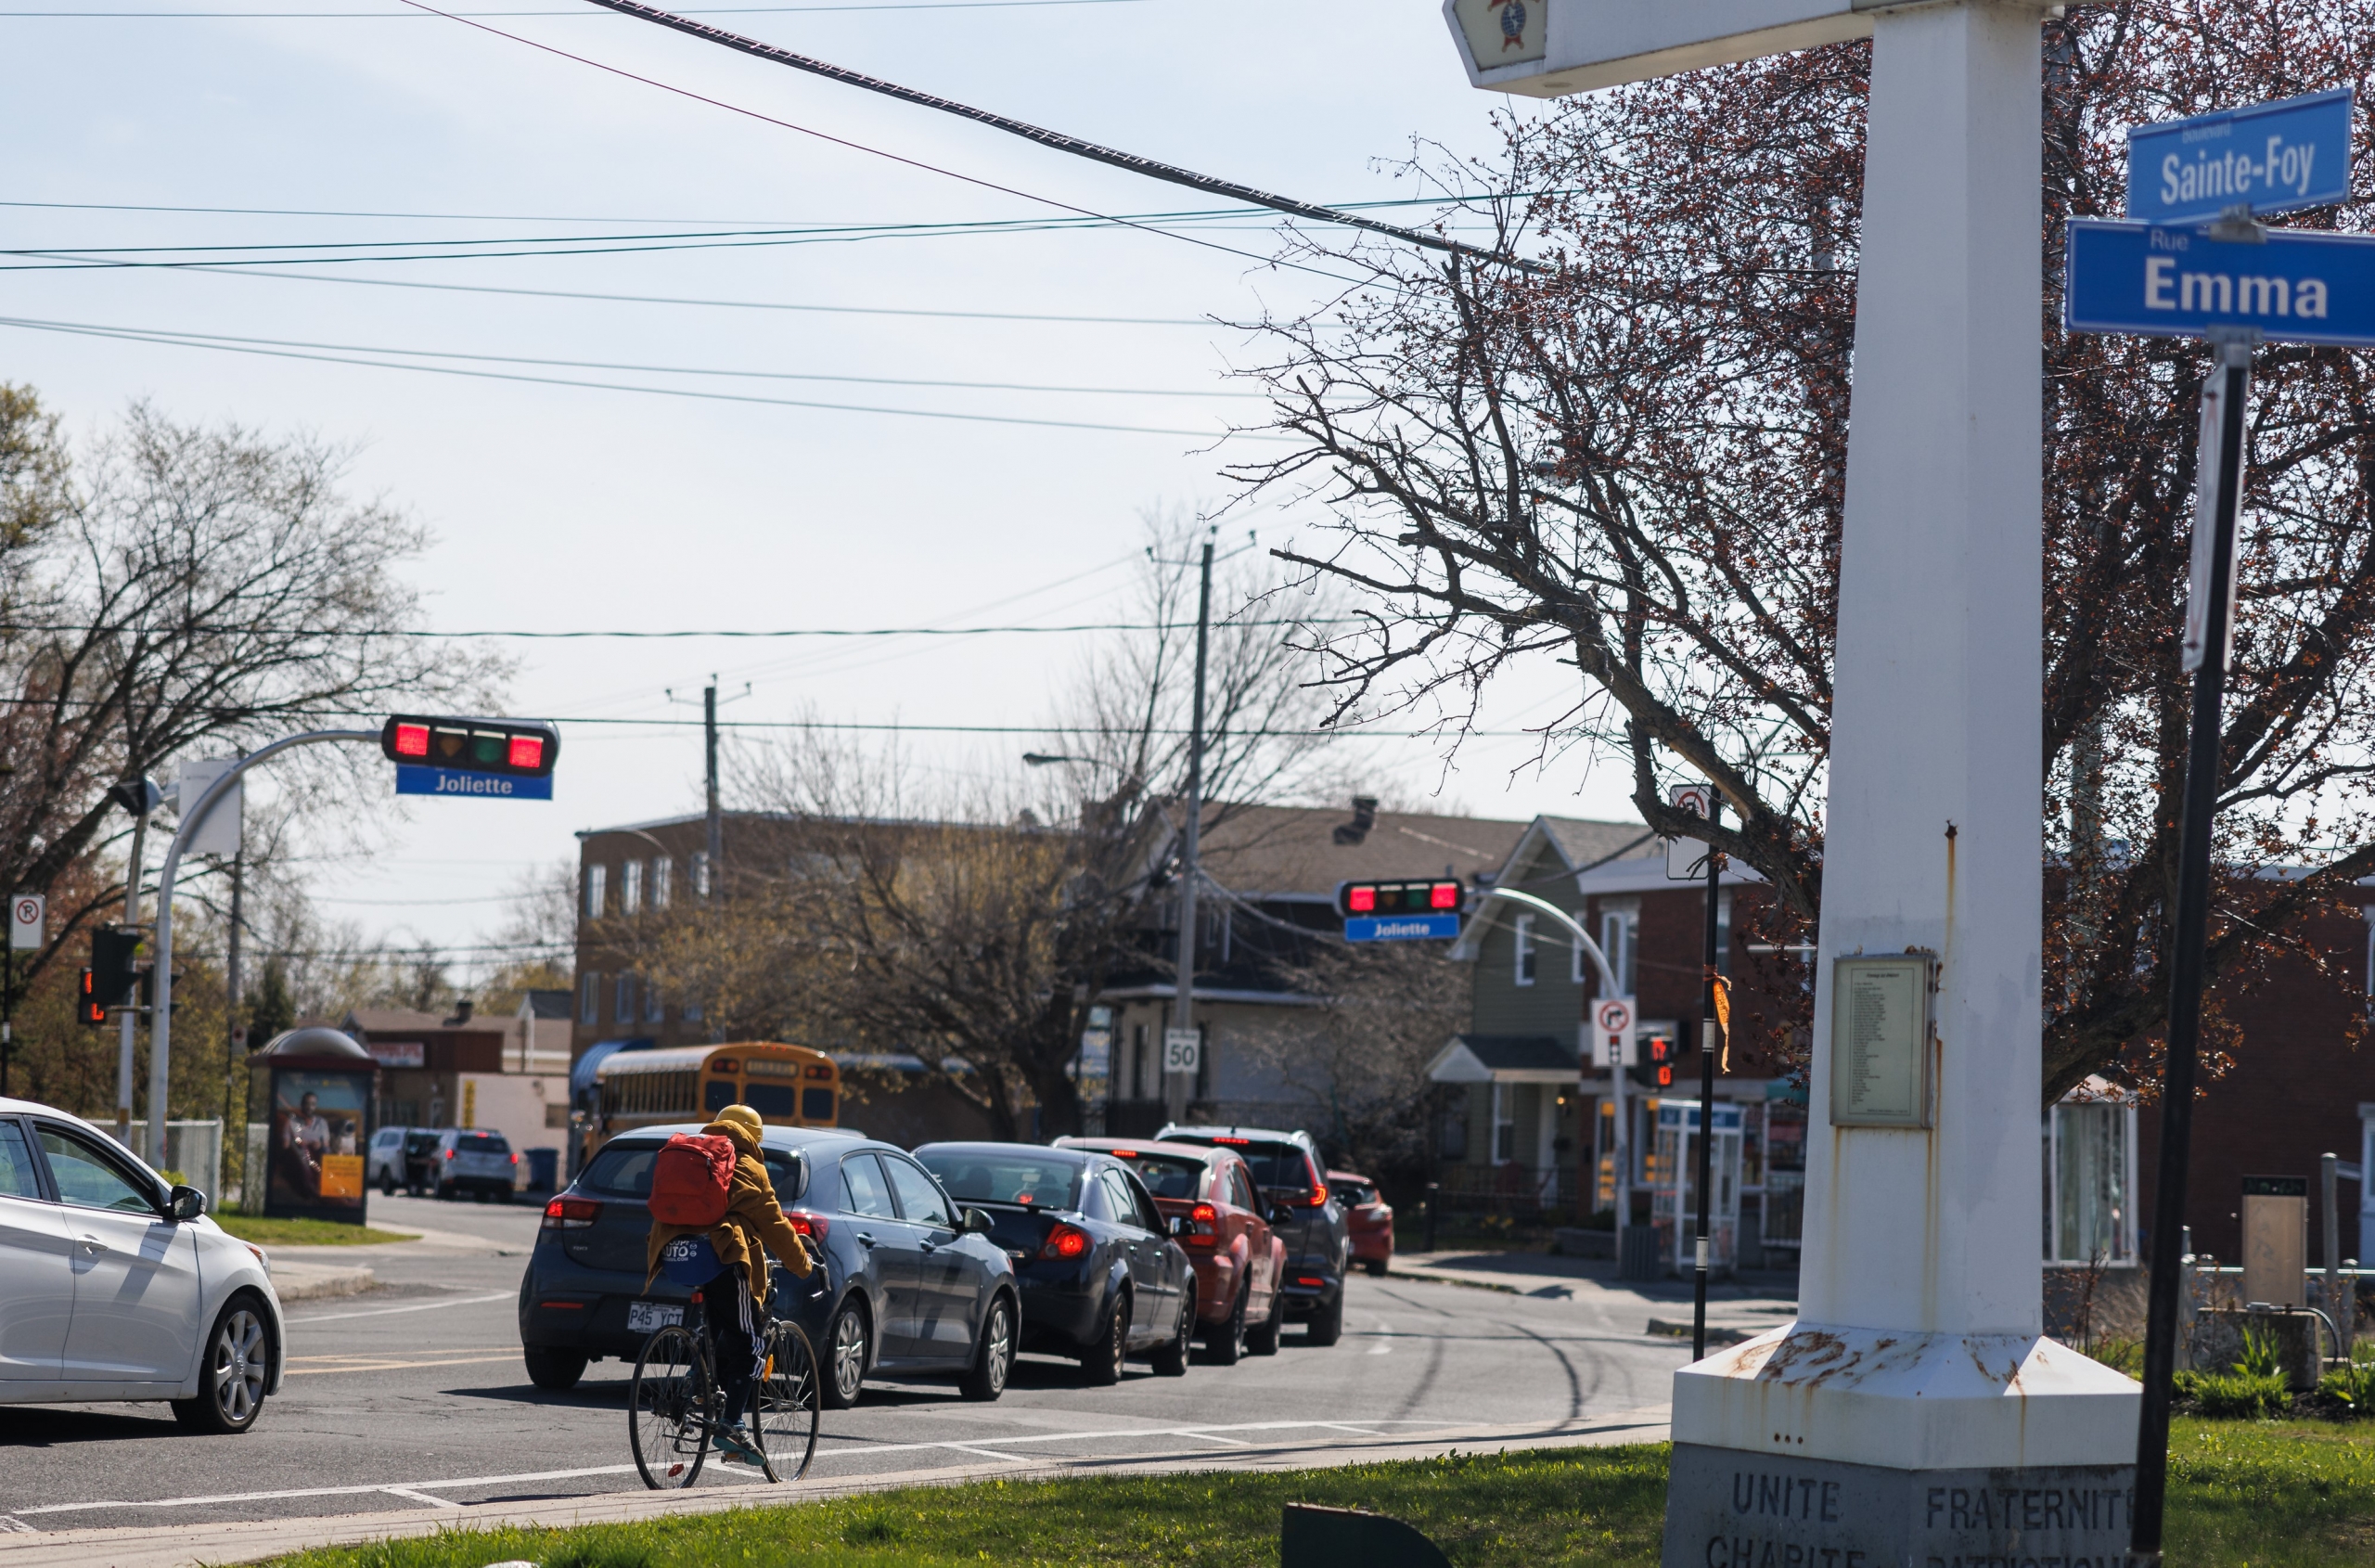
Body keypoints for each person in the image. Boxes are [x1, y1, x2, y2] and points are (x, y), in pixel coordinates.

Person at [644, 1104, 816, 1466]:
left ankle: (699, 1383)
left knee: (716, 1321)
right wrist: (803, 1265)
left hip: (675, 1253)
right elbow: (774, 1223)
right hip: (720, 1256)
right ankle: (733, 1424)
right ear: (755, 1137)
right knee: (749, 1341)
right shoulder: (748, 1165)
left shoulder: (693, 1154)